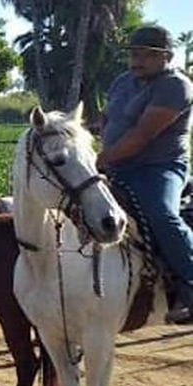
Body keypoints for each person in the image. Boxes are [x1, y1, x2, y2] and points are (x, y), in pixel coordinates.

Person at [97, 24, 193, 324]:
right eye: (133, 54)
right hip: (116, 165)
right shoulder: (122, 81)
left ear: (167, 56)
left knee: (161, 214)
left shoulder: (175, 86)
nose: (136, 60)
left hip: (159, 168)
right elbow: (106, 120)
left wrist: (100, 160)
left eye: (146, 55)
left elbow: (142, 136)